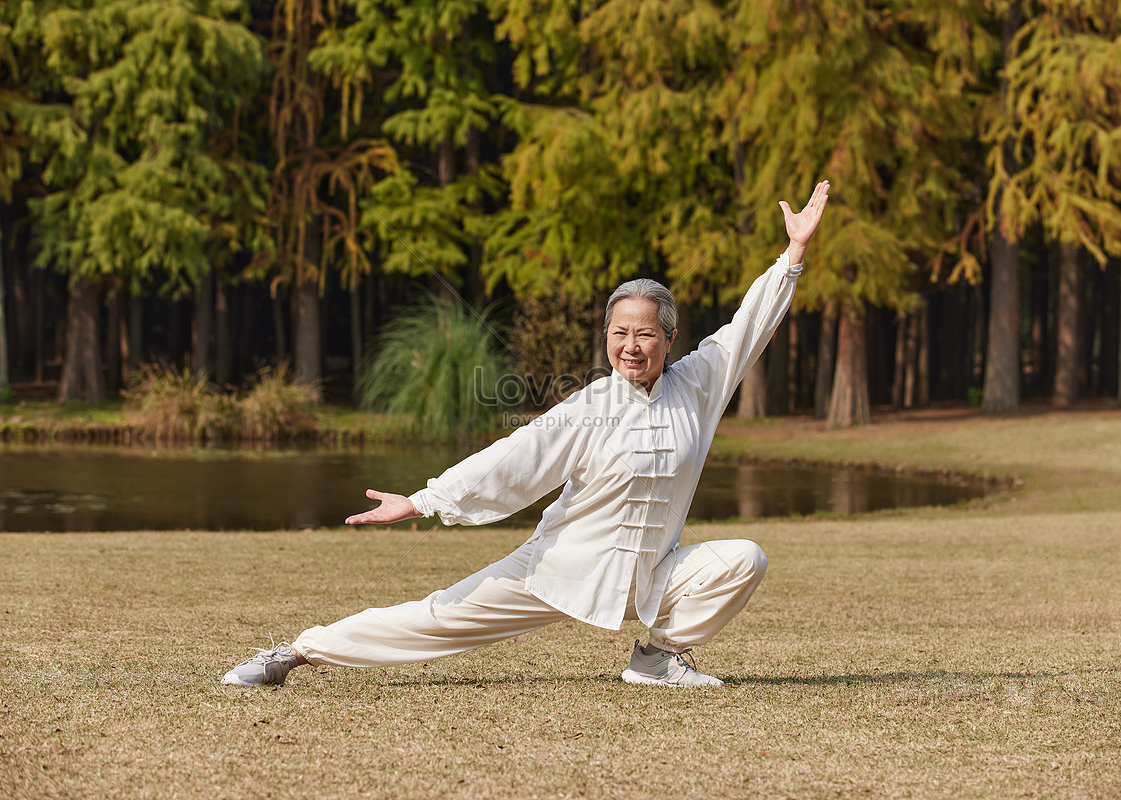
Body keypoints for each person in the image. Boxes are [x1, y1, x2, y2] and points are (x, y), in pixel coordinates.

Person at [222, 180, 831, 689]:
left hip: (650, 577)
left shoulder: (697, 385)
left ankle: (657, 659)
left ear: (669, 339)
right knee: (439, 616)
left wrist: (792, 258)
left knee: (743, 558)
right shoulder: (591, 405)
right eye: (619, 333)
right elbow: (515, 459)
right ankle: (297, 653)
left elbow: (746, 329)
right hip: (559, 571)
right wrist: (424, 500)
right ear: (607, 337)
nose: (630, 346)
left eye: (645, 334)